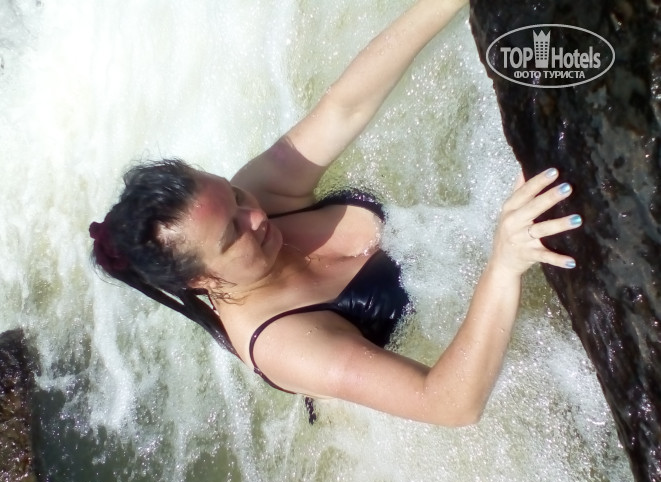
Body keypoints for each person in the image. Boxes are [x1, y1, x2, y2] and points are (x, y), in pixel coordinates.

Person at [89, 0, 582, 427]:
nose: (255, 216)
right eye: (233, 234)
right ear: (200, 281)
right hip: (387, 376)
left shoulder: (256, 192)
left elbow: (345, 106)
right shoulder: (284, 342)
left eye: (235, 196)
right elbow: (450, 403)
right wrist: (505, 264)